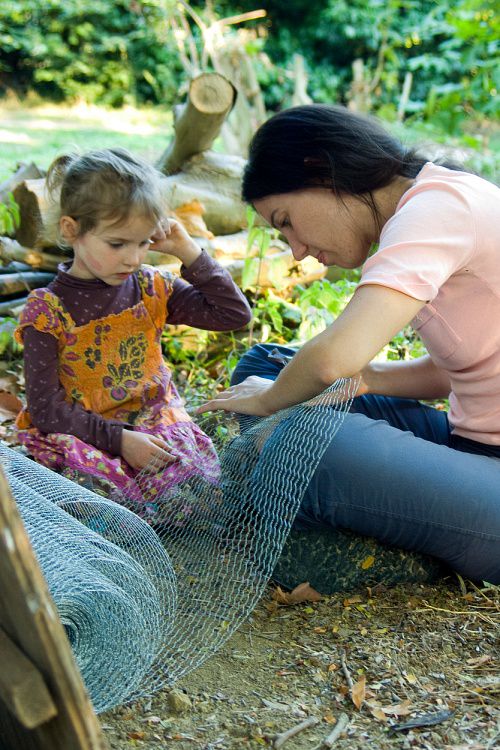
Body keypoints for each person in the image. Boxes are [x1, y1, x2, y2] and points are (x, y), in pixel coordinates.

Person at [199, 105, 500, 584]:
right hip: (470, 443)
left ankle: (392, 550)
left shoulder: (437, 209)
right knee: (266, 362)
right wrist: (367, 380)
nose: (296, 250)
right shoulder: (428, 203)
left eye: (287, 221)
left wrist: (270, 400)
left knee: (296, 437)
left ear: (322, 171)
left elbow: (334, 358)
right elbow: (455, 372)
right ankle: (383, 525)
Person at [15, 148, 251, 510]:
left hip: (155, 423)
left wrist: (188, 251)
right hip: (87, 434)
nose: (134, 258)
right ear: (71, 229)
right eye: (118, 243)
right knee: (90, 494)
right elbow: (46, 409)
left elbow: (232, 314)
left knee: (195, 494)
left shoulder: (151, 288)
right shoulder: (47, 312)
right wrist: (120, 440)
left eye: (143, 242)